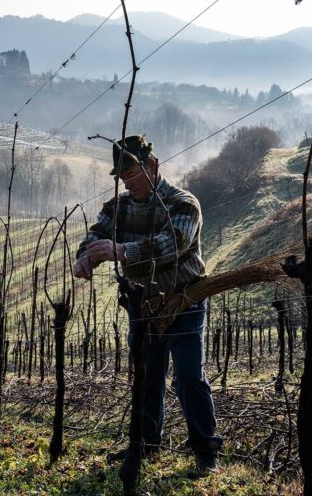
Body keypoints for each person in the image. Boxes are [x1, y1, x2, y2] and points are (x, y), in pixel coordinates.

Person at [73, 134, 222, 475]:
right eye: (124, 178)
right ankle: (144, 444)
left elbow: (174, 244)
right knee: (147, 375)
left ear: (153, 165)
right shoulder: (118, 208)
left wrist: (123, 251)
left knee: (188, 375)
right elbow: (95, 235)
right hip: (143, 307)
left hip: (184, 301)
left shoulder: (183, 204)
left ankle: (205, 449)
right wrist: (85, 257)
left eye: (134, 175)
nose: (129, 183)